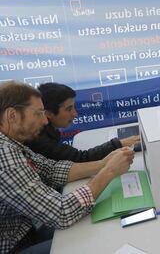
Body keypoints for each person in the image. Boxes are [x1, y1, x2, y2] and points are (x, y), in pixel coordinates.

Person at [0, 81, 135, 253]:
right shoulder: (4, 155)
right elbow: (61, 213)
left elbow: (51, 170)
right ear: (12, 115)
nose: (44, 120)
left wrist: (103, 163)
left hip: (26, 229)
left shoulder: (12, 143)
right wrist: (108, 172)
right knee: (94, 245)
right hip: (15, 245)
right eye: (39, 113)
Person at [26, 82, 139, 162]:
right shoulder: (40, 141)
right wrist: (119, 144)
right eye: (69, 109)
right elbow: (81, 158)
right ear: (49, 113)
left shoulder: (48, 131)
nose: (75, 113)